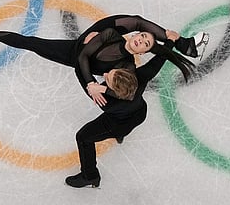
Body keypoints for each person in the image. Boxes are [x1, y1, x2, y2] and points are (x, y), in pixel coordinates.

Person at [0, 14, 208, 104]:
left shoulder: (127, 66)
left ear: (142, 53)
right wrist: (90, 83)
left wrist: (101, 87)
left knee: (155, 43)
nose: (140, 39)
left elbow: (127, 87)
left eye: (145, 43)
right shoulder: (111, 33)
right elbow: (84, 56)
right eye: (141, 36)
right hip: (77, 50)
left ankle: (182, 45)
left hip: (84, 68)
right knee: (30, 42)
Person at [65, 29, 183, 188]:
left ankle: (90, 175)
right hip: (140, 114)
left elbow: (79, 67)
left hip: (116, 123)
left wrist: (94, 86)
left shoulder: (107, 102)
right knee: (123, 128)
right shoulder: (140, 77)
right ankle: (121, 135)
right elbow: (160, 59)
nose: (106, 73)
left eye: (108, 78)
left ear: (114, 90)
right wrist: (171, 41)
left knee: (83, 137)